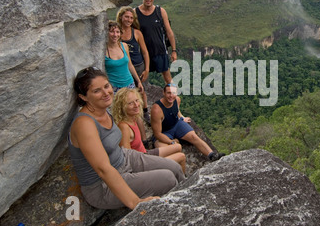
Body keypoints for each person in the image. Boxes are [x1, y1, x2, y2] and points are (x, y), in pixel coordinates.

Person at [68, 67, 185, 210]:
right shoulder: (84, 124)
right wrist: (135, 202)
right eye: (96, 91)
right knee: (168, 178)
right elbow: (103, 169)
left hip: (124, 157)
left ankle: (189, 198)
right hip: (102, 186)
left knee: (175, 167)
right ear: (83, 97)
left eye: (106, 86)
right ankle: (179, 211)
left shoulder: (103, 109)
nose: (106, 93)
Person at [112, 87, 186, 173]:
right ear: (122, 107)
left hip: (145, 154)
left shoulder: (132, 118)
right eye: (130, 103)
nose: (136, 105)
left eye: (136, 100)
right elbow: (128, 159)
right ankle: (183, 184)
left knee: (178, 146)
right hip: (141, 162)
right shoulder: (124, 127)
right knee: (181, 157)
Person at [151, 83, 225, 161]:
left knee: (194, 136)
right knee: (166, 150)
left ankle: (212, 155)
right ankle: (176, 165)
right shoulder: (157, 110)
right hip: (164, 132)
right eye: (168, 93)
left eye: (173, 93)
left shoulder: (177, 100)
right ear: (163, 93)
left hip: (177, 124)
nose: (171, 96)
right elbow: (157, 133)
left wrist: (182, 117)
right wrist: (171, 142)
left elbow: (176, 109)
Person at [105, 21, 149, 122]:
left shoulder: (124, 46)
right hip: (115, 87)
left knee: (135, 112)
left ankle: (141, 137)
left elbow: (129, 64)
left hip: (129, 83)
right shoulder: (103, 50)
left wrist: (138, 81)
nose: (115, 35)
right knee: (118, 114)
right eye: (112, 32)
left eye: (117, 32)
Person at [135, 0, 177, 84]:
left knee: (168, 78)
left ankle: (175, 98)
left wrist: (174, 51)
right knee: (141, 80)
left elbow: (169, 32)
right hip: (144, 53)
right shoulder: (135, 13)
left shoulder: (160, 11)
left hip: (160, 51)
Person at [116, 7, 151, 122]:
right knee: (127, 92)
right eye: (126, 17)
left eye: (131, 18)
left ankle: (145, 112)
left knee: (141, 90)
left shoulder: (136, 33)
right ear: (121, 17)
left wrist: (146, 69)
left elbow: (145, 52)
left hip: (138, 65)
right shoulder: (116, 33)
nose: (129, 20)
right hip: (124, 67)